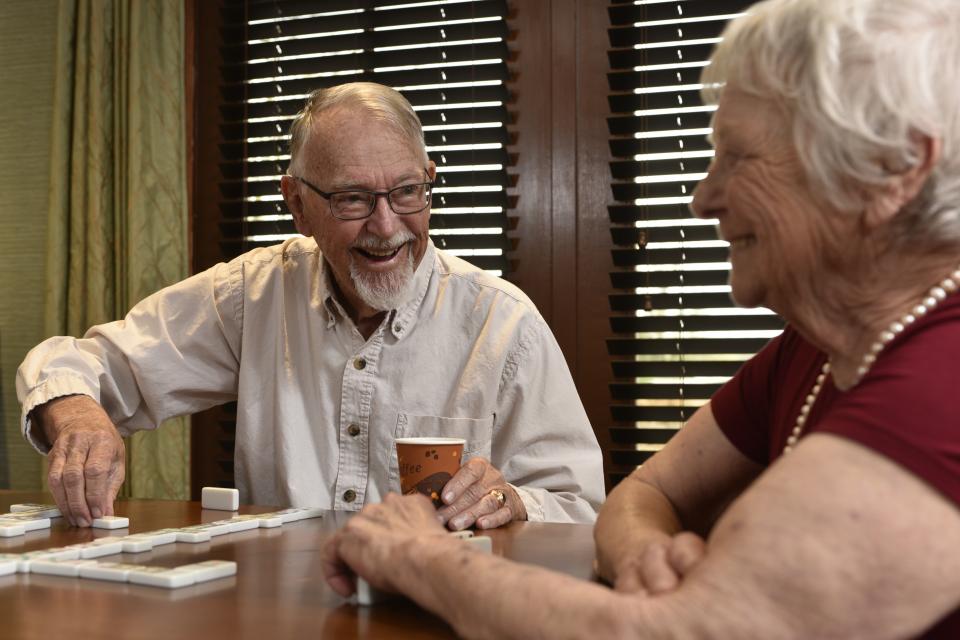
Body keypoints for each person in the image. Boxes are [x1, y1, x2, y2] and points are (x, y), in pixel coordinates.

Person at [321, 0, 960, 637]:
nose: (703, 197)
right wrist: (649, 561)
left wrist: (419, 556)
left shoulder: (942, 383)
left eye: (738, 158)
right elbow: (642, 495)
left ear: (894, 170)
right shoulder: (816, 351)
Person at [16, 82, 603, 530]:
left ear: (428, 181)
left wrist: (510, 502)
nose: (386, 226)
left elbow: (579, 505)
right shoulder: (252, 296)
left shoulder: (503, 323)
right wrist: (79, 418)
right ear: (297, 204)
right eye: (352, 199)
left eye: (406, 192)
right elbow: (85, 364)